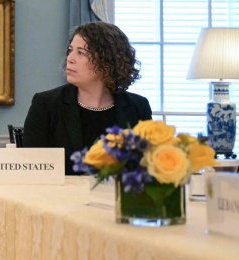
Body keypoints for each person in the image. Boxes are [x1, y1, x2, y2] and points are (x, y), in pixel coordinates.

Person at [22, 22, 151, 174]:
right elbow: (31, 171)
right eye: (70, 51)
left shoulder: (138, 107)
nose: (70, 58)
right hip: (61, 197)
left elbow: (144, 169)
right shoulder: (46, 104)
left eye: (81, 53)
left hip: (118, 197)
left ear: (107, 61)